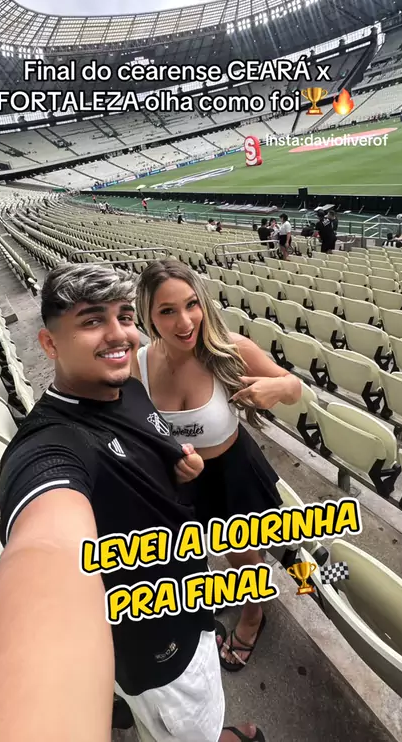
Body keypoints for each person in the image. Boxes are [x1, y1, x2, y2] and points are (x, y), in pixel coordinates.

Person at [0, 263, 262, 742]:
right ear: (49, 343)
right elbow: (44, 550)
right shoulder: (49, 446)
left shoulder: (126, 387)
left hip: (185, 597)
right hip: (158, 644)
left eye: (124, 317)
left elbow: (142, 449)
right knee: (192, 726)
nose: (119, 335)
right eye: (92, 320)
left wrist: (179, 470)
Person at [134, 260, 301, 674]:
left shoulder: (230, 348)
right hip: (181, 480)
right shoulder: (139, 364)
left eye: (191, 304)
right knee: (209, 552)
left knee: (243, 554)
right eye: (167, 311)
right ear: (148, 315)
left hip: (233, 474)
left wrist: (278, 387)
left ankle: (254, 616)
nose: (185, 321)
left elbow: (296, 388)